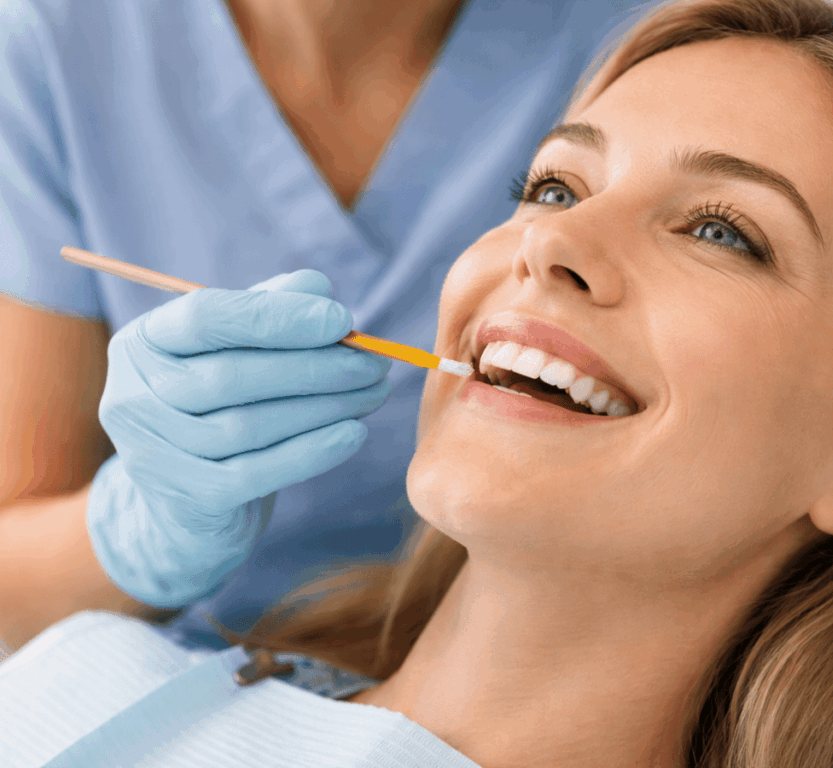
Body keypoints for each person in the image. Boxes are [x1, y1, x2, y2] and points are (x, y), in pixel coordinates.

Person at [3, 0, 833, 766]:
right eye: (549, 186)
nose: (552, 244)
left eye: (720, 231)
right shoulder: (80, 682)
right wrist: (124, 534)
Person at [0, 0, 659, 651]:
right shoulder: (55, 44)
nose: (551, 247)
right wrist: (140, 533)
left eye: (554, 190)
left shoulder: (642, 31)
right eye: (546, 193)